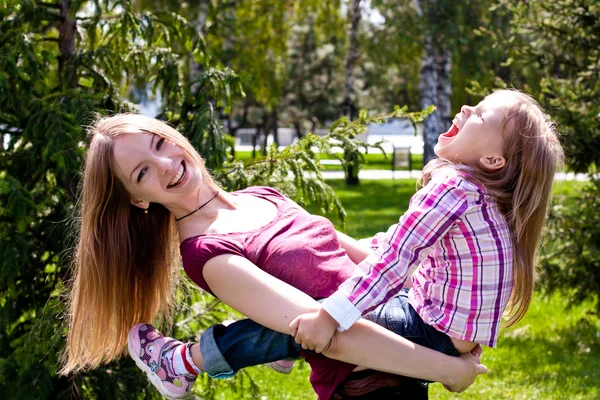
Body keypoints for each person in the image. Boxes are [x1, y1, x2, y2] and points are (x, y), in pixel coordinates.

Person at [60, 112, 488, 399]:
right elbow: (331, 334)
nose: (165, 164)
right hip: (366, 385)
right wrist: (448, 367)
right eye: (142, 172)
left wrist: (448, 319)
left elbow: (373, 262)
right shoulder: (206, 252)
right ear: (136, 200)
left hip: (405, 359)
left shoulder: (263, 197)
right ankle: (191, 359)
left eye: (158, 144)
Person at [286, 89, 563, 371]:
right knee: (349, 280)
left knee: (311, 312)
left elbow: (395, 259)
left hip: (429, 328)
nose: (466, 108)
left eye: (480, 115)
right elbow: (405, 242)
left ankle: (260, 342)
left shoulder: (454, 188)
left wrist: (328, 318)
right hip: (447, 332)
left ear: (492, 160)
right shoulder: (485, 198)